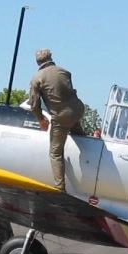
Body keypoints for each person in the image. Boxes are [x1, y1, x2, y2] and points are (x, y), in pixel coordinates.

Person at [28, 48, 86, 192]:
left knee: (55, 153)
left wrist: (41, 119)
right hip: (78, 110)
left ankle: (60, 188)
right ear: (50, 58)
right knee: (77, 132)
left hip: (61, 117)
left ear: (37, 62)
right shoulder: (64, 72)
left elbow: (34, 104)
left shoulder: (37, 78)